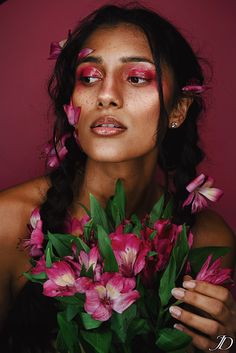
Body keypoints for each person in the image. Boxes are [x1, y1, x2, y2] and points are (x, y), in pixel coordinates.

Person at [0, 3, 235, 353]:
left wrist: (226, 344)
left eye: (137, 78)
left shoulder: (206, 240)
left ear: (178, 109)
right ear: (72, 103)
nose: (106, 96)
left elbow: (219, 343)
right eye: (89, 77)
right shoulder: (7, 222)